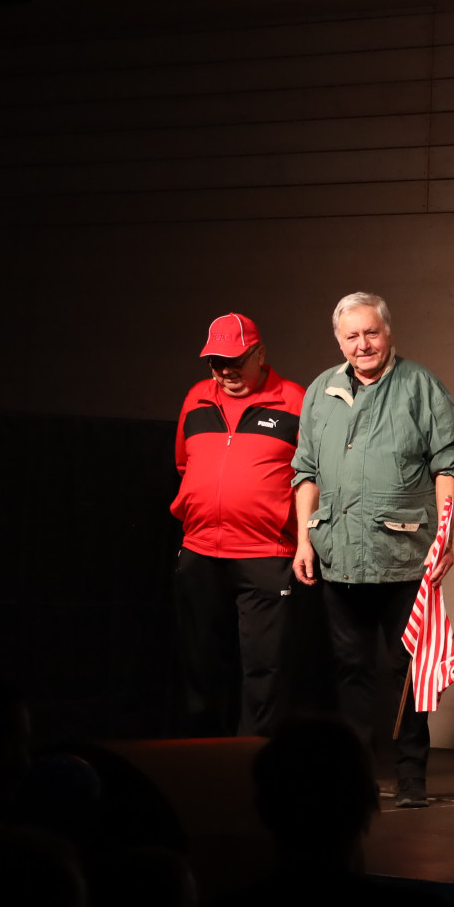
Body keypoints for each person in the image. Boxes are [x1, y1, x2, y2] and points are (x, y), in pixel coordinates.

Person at [291, 293, 454, 809]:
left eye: (371, 333)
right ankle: (356, 776)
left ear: (388, 333)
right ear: (339, 340)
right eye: (352, 336)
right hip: (339, 554)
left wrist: (445, 537)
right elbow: (305, 472)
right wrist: (303, 539)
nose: (362, 344)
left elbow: (448, 466)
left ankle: (411, 778)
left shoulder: (420, 386)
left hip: (403, 555)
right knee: (349, 671)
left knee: (406, 670)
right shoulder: (321, 390)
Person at [170, 313, 307, 736]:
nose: (224, 371)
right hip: (200, 550)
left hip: (266, 553)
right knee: (200, 663)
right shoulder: (197, 398)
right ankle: (204, 754)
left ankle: (253, 758)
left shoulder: (294, 400)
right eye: (215, 363)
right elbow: (184, 464)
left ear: (259, 354)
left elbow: (311, 476)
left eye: (234, 361)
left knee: (264, 668)